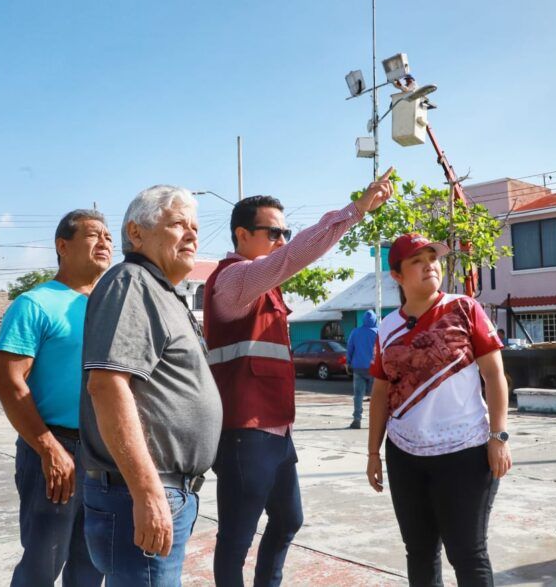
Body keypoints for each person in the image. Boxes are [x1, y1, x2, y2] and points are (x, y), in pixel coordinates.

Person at [203, 169, 394, 587]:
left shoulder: (262, 287)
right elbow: (291, 258)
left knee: (289, 519)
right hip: (244, 432)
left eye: (286, 231)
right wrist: (355, 211)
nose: (282, 241)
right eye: (273, 232)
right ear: (241, 235)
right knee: (235, 539)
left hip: (276, 431)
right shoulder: (234, 280)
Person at [79, 185, 223, 586]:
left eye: (195, 225)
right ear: (136, 233)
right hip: (140, 493)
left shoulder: (163, 292)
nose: (193, 234)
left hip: (167, 493)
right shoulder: (131, 282)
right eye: (178, 223)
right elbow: (107, 386)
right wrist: (146, 493)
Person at [366, 233, 511, 587]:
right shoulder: (386, 328)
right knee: (419, 551)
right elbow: (381, 392)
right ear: (398, 276)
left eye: (433, 258)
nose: (429, 265)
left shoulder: (464, 308)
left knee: (467, 552)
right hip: (404, 454)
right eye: (416, 260)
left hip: (465, 452)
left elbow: (494, 375)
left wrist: (498, 436)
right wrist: (373, 452)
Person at [0, 209, 111, 587]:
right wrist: (49, 449)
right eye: (94, 235)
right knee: (43, 563)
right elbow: (9, 383)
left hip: (101, 452)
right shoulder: (35, 303)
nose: (105, 242)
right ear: (63, 245)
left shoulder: (109, 306)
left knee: (93, 563)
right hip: (53, 449)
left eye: (109, 236)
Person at [346, 309, 379, 429]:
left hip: (358, 368)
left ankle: (357, 420)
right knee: (375, 397)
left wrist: (348, 362)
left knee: (358, 395)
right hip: (374, 369)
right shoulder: (378, 333)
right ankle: (375, 422)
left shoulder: (355, 332)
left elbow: (350, 348)